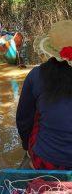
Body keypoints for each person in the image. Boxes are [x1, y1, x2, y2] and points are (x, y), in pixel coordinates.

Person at [16, 20, 72, 170]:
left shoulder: (36, 75)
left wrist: (27, 147)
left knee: (36, 115)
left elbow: (23, 120)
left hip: (46, 161)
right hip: (50, 158)